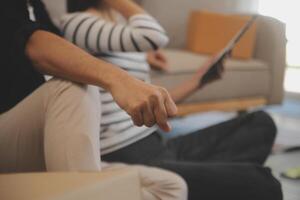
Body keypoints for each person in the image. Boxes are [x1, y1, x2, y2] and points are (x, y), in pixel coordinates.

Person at [60, 0, 283, 200]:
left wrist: (199, 81)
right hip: (129, 155)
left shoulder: (120, 34)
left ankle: (208, 183)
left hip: (158, 143)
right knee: (263, 182)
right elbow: (155, 36)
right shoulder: (76, 23)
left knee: (261, 124)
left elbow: (152, 102)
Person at [0, 0, 178, 173]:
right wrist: (119, 79)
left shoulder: (36, 6)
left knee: (170, 185)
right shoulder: (79, 21)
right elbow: (30, 41)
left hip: (149, 139)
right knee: (70, 86)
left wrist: (198, 81)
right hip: (125, 147)